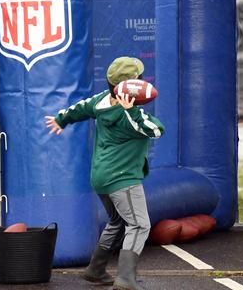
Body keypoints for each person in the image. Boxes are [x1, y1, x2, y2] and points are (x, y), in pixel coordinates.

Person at [45, 56, 164, 290]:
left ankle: (95, 270)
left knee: (118, 221)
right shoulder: (127, 116)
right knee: (140, 225)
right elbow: (156, 129)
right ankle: (126, 278)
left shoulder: (102, 101)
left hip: (101, 177)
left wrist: (62, 119)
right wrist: (134, 111)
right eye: (138, 80)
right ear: (131, 88)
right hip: (122, 179)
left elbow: (81, 107)